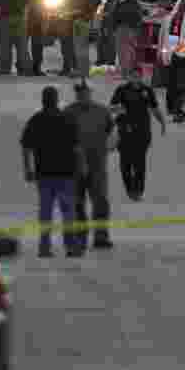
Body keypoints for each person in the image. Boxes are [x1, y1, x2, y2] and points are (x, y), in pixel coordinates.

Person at [21, 86, 86, 257]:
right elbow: (77, 147)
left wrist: (28, 169)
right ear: (57, 100)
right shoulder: (68, 118)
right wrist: (81, 168)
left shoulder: (36, 120)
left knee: (45, 211)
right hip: (66, 173)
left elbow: (26, 147)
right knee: (68, 211)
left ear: (43, 100)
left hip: (44, 173)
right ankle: (71, 246)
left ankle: (44, 247)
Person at [65, 79, 114, 249]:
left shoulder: (102, 111)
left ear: (90, 93)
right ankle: (80, 235)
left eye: (85, 91)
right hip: (74, 165)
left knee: (100, 201)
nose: (82, 94)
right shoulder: (68, 112)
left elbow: (112, 132)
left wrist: (110, 146)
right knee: (77, 202)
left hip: (97, 165)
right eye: (79, 92)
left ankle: (101, 236)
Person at [110, 65, 166, 200]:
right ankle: (129, 188)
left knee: (140, 162)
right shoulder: (121, 90)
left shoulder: (147, 90)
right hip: (125, 131)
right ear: (129, 77)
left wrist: (162, 122)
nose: (135, 78)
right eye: (133, 75)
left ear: (141, 76)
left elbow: (154, 108)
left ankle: (138, 190)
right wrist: (118, 109)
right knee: (125, 164)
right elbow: (112, 107)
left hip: (142, 132)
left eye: (138, 75)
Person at [110, 0, 143, 78]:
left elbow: (122, 13)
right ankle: (128, 73)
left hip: (125, 28)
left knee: (124, 52)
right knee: (128, 51)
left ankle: (125, 74)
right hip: (128, 28)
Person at [71, 0, 101, 77]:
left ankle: (82, 71)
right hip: (85, 22)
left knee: (80, 48)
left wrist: (72, 13)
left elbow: (81, 10)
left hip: (81, 23)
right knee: (82, 48)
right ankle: (83, 70)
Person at [2, 0, 30, 75]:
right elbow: (26, 4)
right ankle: (23, 69)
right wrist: (25, 18)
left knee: (6, 46)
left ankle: (5, 69)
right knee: (21, 45)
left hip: (7, 19)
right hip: (19, 19)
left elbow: (0, 5)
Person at [25, 0, 47, 75]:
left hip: (38, 21)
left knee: (37, 47)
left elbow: (45, 5)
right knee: (24, 46)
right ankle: (25, 67)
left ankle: (36, 67)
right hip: (28, 21)